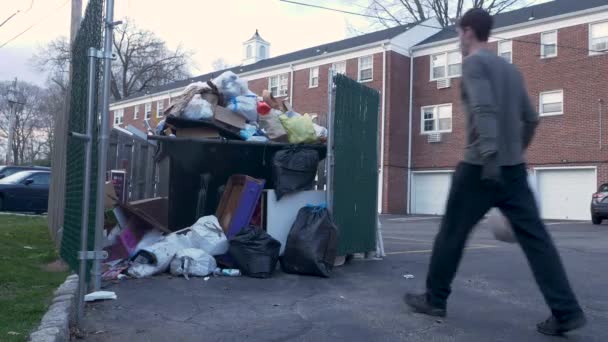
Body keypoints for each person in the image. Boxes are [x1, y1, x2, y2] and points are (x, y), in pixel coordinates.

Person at [404, 8, 586, 336]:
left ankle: (435, 298)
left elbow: (483, 107)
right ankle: (566, 311)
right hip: (514, 170)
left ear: (469, 31)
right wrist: (515, 152)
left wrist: (490, 156)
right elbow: (531, 118)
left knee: (451, 234)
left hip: (479, 168)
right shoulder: (511, 70)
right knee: (537, 240)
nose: (459, 39)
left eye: (459, 32)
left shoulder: (474, 63)